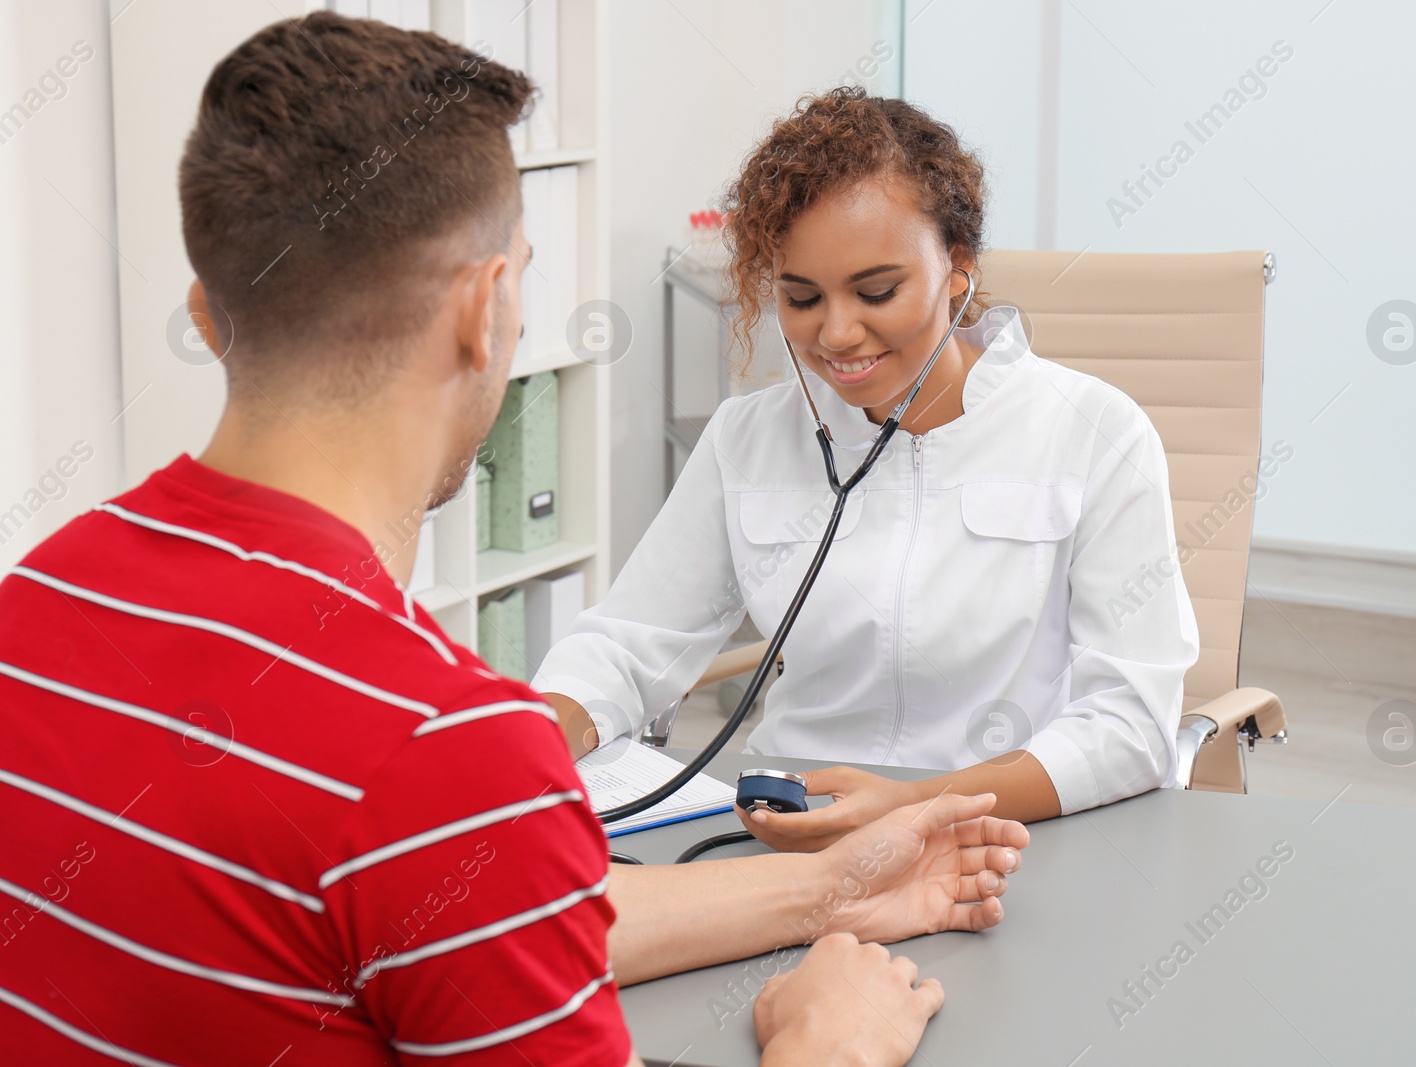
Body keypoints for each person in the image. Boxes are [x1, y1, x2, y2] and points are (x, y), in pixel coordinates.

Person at [0, 15, 1029, 1066]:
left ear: (208, 314)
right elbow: (451, 859)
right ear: (485, 311)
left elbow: (458, 906)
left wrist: (827, 889)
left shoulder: (32, 606)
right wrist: (832, 1044)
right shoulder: (440, 753)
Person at [536, 87, 1200, 852]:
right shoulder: (747, 439)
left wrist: (912, 805)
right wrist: (538, 734)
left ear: (959, 266)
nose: (838, 334)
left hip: (1004, 836)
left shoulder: (1094, 433)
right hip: (789, 839)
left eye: (877, 291)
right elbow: (629, 643)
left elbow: (1132, 726)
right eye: (801, 297)